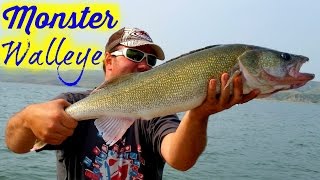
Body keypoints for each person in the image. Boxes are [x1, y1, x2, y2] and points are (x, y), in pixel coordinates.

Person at [5, 27, 260, 180]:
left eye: (151, 60)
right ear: (108, 61)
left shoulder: (158, 112)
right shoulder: (73, 104)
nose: (144, 64)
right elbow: (17, 145)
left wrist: (199, 113)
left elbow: (180, 159)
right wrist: (27, 119)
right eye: (135, 54)